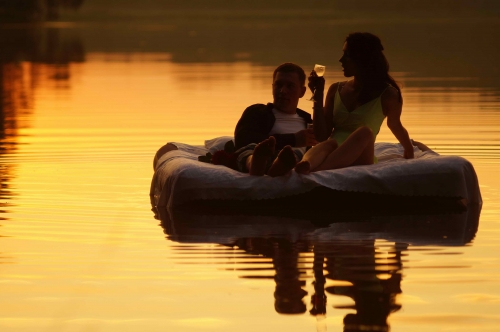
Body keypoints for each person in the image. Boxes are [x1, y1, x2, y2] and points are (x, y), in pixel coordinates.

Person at [294, 32, 414, 174]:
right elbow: (321, 136)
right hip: (332, 152)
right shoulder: (335, 89)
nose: (341, 60)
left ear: (362, 59)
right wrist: (318, 95)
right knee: (329, 143)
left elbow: (395, 125)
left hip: (361, 156)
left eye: (347, 55)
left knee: (365, 132)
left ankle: (319, 170)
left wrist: (409, 149)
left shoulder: (388, 95)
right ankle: (305, 165)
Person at [234, 62, 317, 177]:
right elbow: (242, 140)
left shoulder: (307, 121)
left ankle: (278, 167)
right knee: (249, 150)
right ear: (272, 87)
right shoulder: (257, 111)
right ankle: (255, 164)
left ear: (302, 92)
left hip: (291, 158)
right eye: (278, 85)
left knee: (295, 153)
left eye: (290, 86)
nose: (283, 91)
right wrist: (293, 140)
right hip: (258, 154)